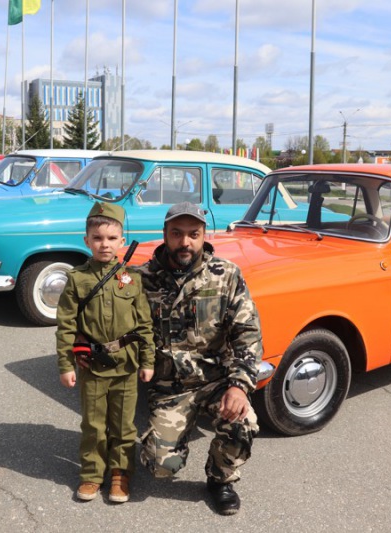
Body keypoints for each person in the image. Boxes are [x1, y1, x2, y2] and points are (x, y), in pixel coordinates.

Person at [137, 202, 263, 516]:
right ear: (164, 234)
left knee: (243, 423)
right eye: (177, 233)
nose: (185, 242)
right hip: (169, 386)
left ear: (204, 235)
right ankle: (165, 441)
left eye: (193, 234)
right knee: (160, 465)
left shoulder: (226, 275)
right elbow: (110, 312)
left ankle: (220, 480)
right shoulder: (141, 278)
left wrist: (239, 386)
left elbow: (248, 334)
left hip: (216, 381)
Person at [56, 201, 155, 504]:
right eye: (97, 238)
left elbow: (144, 324)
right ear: (86, 240)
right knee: (93, 425)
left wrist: (148, 360)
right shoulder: (77, 279)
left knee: (124, 425)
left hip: (126, 365)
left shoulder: (132, 278)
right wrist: (66, 365)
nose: (105, 244)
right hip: (93, 366)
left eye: (112, 238)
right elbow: (66, 325)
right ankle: (91, 473)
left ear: (122, 241)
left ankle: (120, 474)